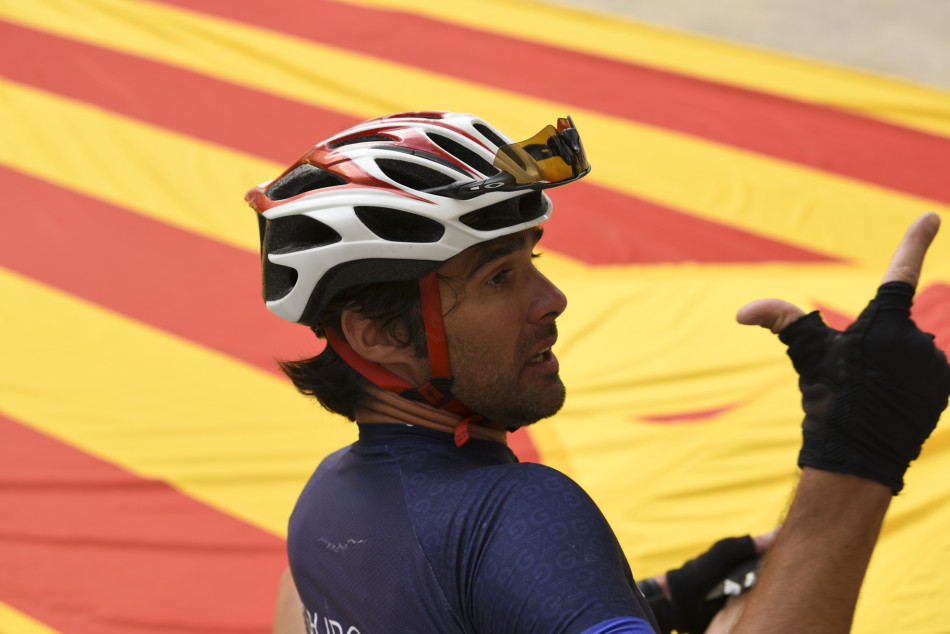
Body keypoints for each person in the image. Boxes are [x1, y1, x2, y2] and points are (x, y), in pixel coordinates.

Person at [247, 111, 950, 634]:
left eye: (533, 264)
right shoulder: (517, 514)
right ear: (376, 334)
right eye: (498, 278)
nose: (550, 302)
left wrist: (626, 606)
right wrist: (855, 459)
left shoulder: (324, 510)